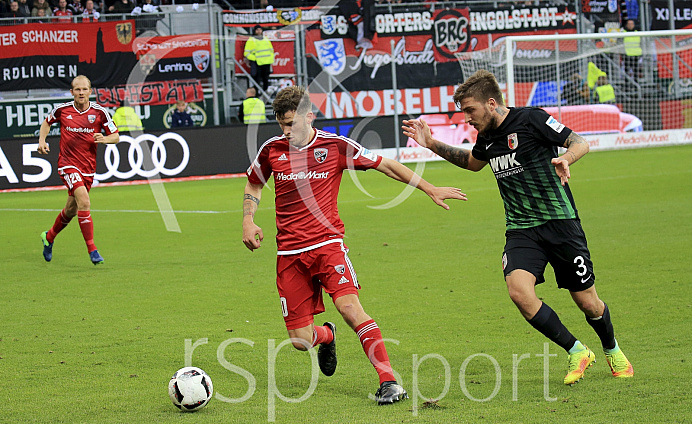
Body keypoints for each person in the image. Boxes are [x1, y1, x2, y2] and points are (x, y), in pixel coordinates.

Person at [402, 70, 633, 386]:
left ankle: (611, 348)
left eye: (470, 110)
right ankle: (577, 350)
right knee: (519, 292)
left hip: (560, 223)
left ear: (491, 103)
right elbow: (473, 162)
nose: (467, 118)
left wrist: (567, 158)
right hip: (522, 230)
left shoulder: (532, 119)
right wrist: (430, 143)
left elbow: (579, 141)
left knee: (588, 302)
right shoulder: (486, 137)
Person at [243, 86, 467, 404]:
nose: (287, 131)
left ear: (310, 116)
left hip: (328, 246)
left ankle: (389, 381)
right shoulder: (272, 150)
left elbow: (385, 164)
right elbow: (254, 181)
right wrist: (248, 219)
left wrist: (429, 188)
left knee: (350, 308)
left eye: (292, 123)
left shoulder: (335, 146)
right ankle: (327, 335)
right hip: (289, 255)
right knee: (300, 340)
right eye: (282, 124)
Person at [38, 75, 119, 265]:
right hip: (67, 163)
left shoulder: (100, 113)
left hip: (88, 168)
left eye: (84, 89)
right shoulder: (62, 110)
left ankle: (48, 237)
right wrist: (42, 141)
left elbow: (116, 136)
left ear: (90, 91)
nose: (81, 93)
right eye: (77, 89)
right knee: (84, 200)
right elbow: (46, 122)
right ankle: (93, 250)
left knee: (71, 209)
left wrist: (104, 139)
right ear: (72, 92)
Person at [244, 25, 274, 93]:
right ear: (254, 31)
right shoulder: (251, 40)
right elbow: (246, 53)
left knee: (265, 80)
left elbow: (271, 50)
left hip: (266, 63)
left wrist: (270, 59)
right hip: (257, 63)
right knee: (256, 80)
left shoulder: (266, 39)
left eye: (260, 30)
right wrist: (255, 58)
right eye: (257, 30)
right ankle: (256, 95)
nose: (259, 31)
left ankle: (265, 94)